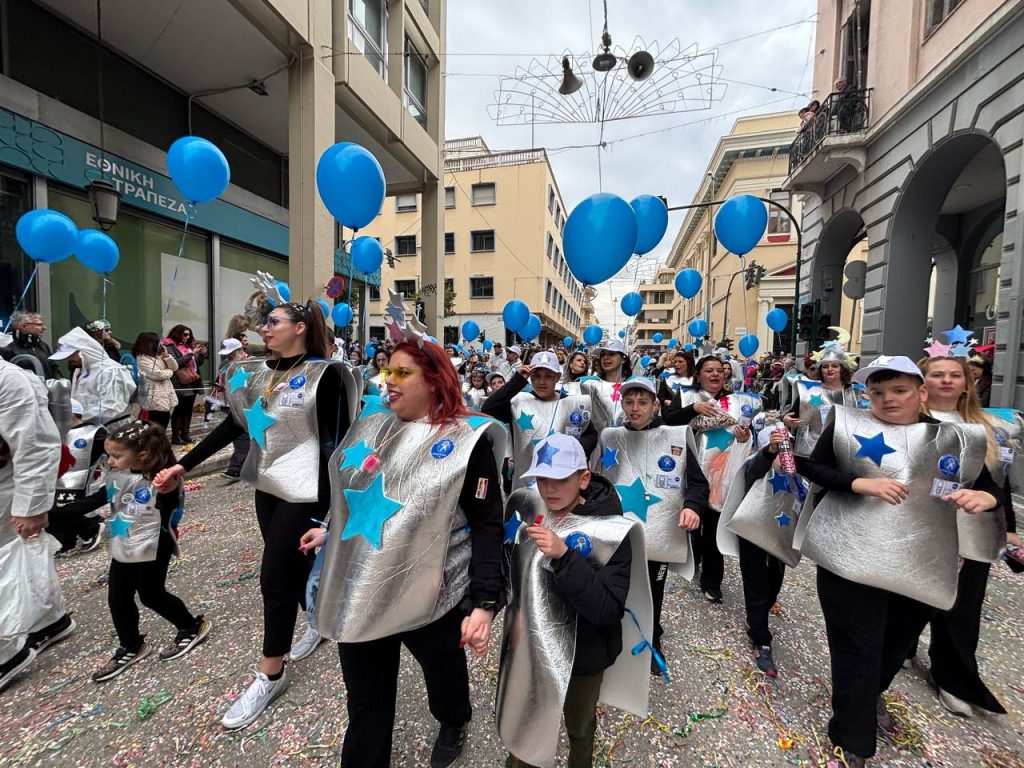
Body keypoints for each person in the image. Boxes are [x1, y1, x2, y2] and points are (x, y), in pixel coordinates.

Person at [304, 331, 506, 768]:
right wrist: (330, 530)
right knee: (365, 703)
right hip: (363, 587)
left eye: (402, 372)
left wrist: (485, 602)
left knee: (442, 672)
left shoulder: (468, 441)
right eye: (386, 370)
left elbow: (488, 524)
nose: (388, 379)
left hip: (431, 591)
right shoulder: (373, 425)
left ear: (433, 379)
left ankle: (454, 719)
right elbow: (360, 495)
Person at [155, 296, 356, 730]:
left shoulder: (326, 376)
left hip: (309, 492)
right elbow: (235, 425)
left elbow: (342, 443)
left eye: (274, 322)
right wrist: (182, 465)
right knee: (293, 566)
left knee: (273, 578)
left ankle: (271, 671)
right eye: (264, 323)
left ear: (300, 328)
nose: (264, 329)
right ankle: (316, 617)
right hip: (268, 487)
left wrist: (335, 507)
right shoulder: (257, 374)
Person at [797, 356, 1003, 767]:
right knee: (858, 645)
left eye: (899, 391)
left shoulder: (955, 439)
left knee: (895, 643)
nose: (888, 400)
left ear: (921, 393)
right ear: (866, 394)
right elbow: (812, 467)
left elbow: (987, 488)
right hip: (850, 557)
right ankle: (852, 736)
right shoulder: (847, 424)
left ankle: (870, 696)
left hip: (919, 562)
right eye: (878, 392)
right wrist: (859, 482)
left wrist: (986, 499)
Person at [496, 434, 652, 768]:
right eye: (542, 480)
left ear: (583, 479)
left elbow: (608, 609)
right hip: (532, 651)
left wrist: (565, 558)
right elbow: (510, 576)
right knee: (526, 720)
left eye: (560, 479)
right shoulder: (528, 512)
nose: (550, 489)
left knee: (579, 726)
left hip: (584, 657)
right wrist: (482, 610)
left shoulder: (612, 531)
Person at [905, 354, 1009, 717]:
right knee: (910, 598)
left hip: (969, 527)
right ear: (923, 382)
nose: (946, 381)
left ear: (967, 382)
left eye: (955, 375)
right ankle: (902, 649)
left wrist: (1006, 526)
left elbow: (998, 484)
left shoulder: (989, 427)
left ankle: (952, 676)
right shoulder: (906, 422)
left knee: (962, 606)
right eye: (937, 375)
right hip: (916, 526)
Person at [597, 376, 708, 673]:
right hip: (619, 532)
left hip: (660, 535)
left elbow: (697, 483)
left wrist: (692, 506)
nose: (635, 409)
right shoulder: (610, 437)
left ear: (656, 405)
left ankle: (651, 639)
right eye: (630, 402)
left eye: (643, 402)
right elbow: (596, 481)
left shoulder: (676, 436)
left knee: (653, 591)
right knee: (614, 585)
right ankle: (612, 639)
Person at [93, 421, 211, 682]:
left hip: (153, 546)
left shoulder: (163, 480)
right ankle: (131, 644)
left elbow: (166, 509)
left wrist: (161, 489)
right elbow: (100, 497)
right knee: (117, 597)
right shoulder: (120, 474)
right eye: (109, 455)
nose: (110, 462)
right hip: (124, 544)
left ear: (142, 455)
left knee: (151, 595)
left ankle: (190, 626)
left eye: (116, 456)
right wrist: (54, 514)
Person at [662, 355, 760, 604]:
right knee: (693, 521)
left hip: (723, 474)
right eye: (709, 370)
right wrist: (692, 410)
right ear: (699, 374)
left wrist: (744, 437)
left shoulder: (739, 401)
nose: (715, 375)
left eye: (719, 370)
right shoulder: (686, 396)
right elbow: (668, 420)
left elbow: (754, 434)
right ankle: (692, 558)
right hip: (692, 469)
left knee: (715, 527)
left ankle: (712, 580)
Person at [0, 352, 71, 692]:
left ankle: (6, 651)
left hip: (5, 487)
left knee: (9, 565)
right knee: (19, 563)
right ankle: (49, 619)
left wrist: (30, 506)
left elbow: (34, 443)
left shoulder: (8, 379)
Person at [722, 426, 807, 679]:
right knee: (756, 587)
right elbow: (755, 469)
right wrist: (770, 452)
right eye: (778, 446)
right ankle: (761, 638)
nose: (784, 451)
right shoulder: (756, 463)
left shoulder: (795, 469)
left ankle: (760, 614)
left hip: (780, 539)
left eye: (786, 446)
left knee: (773, 587)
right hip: (753, 536)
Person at [482, 350, 598, 491]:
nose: (541, 382)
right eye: (536, 376)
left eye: (548, 376)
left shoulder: (572, 404)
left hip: (562, 483)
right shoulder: (518, 402)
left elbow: (591, 435)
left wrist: (571, 449)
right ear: (530, 377)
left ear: (557, 377)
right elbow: (488, 408)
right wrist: (517, 380)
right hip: (526, 485)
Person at [784, 339, 866, 456]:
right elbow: (793, 416)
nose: (829, 369)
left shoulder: (857, 393)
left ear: (842, 369)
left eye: (835, 366)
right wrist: (786, 420)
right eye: (825, 366)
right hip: (813, 452)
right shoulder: (810, 391)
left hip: (847, 451)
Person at [46, 398, 106, 554]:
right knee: (49, 513)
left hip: (83, 483)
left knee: (59, 511)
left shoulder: (95, 432)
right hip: (56, 483)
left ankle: (90, 527)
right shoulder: (54, 433)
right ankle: (68, 539)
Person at [49, 327, 135, 427]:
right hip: (87, 427)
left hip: (112, 428)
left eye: (71, 356)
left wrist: (80, 418)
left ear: (84, 352)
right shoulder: (79, 370)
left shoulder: (110, 370)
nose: (68, 360)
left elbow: (112, 407)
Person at [209, 338, 250, 481]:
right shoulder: (225, 364)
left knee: (241, 437)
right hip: (228, 402)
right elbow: (222, 381)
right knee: (241, 437)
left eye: (231, 353)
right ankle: (244, 466)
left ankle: (236, 469)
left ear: (239, 350)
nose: (229, 356)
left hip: (245, 403)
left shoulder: (249, 363)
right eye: (227, 353)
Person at [162, 325, 207, 445]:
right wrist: (191, 354)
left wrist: (201, 355)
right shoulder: (169, 346)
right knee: (179, 409)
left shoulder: (188, 347)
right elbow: (176, 364)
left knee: (188, 409)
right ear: (177, 334)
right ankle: (176, 437)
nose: (187, 337)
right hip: (180, 382)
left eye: (189, 335)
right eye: (185, 334)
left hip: (193, 380)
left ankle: (185, 434)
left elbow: (197, 364)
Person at [133, 332, 178, 431]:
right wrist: (169, 371)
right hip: (152, 395)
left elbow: (175, 367)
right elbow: (157, 374)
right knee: (155, 423)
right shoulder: (142, 358)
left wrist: (167, 356)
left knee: (164, 420)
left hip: (164, 393)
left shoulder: (159, 355)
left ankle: (158, 444)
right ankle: (153, 445)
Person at [0, 312, 59, 378]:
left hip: (47, 387)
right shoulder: (8, 350)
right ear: (24, 326)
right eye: (39, 325)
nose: (44, 328)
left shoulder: (43, 346)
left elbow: (54, 368)